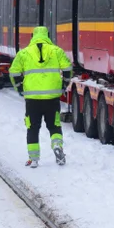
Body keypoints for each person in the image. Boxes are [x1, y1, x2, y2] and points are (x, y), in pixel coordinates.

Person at [8, 26, 72, 168]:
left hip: (32, 100)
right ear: (48, 36)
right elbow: (68, 68)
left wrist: (19, 88)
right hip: (52, 98)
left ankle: (34, 158)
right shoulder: (56, 51)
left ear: (33, 36)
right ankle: (57, 146)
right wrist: (64, 85)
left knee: (32, 128)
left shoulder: (24, 53)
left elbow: (14, 72)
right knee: (54, 125)